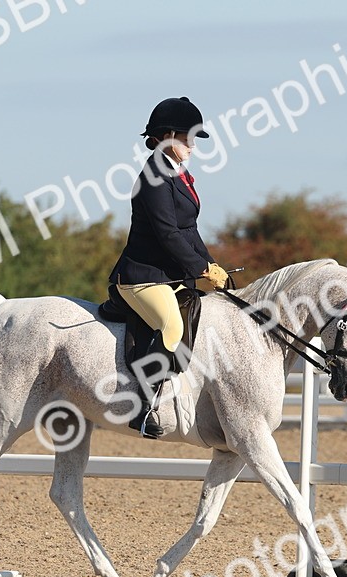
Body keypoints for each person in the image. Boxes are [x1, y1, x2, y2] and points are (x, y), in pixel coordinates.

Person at [109, 96, 229, 439]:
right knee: (172, 327)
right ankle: (142, 409)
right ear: (169, 136)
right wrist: (200, 269)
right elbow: (167, 234)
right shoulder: (153, 177)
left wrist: (211, 265)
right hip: (141, 276)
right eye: (188, 138)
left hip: (169, 275)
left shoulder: (178, 174)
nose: (192, 145)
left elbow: (188, 230)